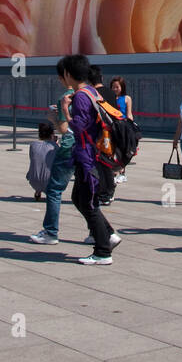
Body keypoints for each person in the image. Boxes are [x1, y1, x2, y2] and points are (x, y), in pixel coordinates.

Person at [58, 54, 119, 265]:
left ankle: (103, 250)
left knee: (88, 202)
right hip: (91, 154)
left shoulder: (82, 96)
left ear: (68, 73)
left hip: (87, 156)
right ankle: (109, 234)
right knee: (79, 198)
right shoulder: (91, 91)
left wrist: (65, 112)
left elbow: (80, 126)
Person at [28, 74, 76, 246]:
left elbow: (64, 129)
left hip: (71, 147)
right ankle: (102, 233)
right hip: (88, 148)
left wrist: (53, 118)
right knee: (85, 193)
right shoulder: (91, 94)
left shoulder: (65, 97)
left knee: (54, 190)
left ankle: (50, 232)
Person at [88, 65, 118, 204]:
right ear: (101, 77)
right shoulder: (111, 93)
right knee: (106, 162)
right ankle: (107, 190)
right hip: (110, 132)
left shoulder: (92, 94)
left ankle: (107, 191)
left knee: (101, 164)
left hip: (99, 133)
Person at [109, 76, 133, 184]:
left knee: (123, 151)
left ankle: (122, 173)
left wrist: (131, 126)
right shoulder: (110, 99)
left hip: (123, 127)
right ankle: (114, 172)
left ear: (122, 87)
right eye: (113, 87)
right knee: (113, 150)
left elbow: (129, 113)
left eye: (117, 87)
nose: (115, 89)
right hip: (112, 127)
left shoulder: (127, 98)